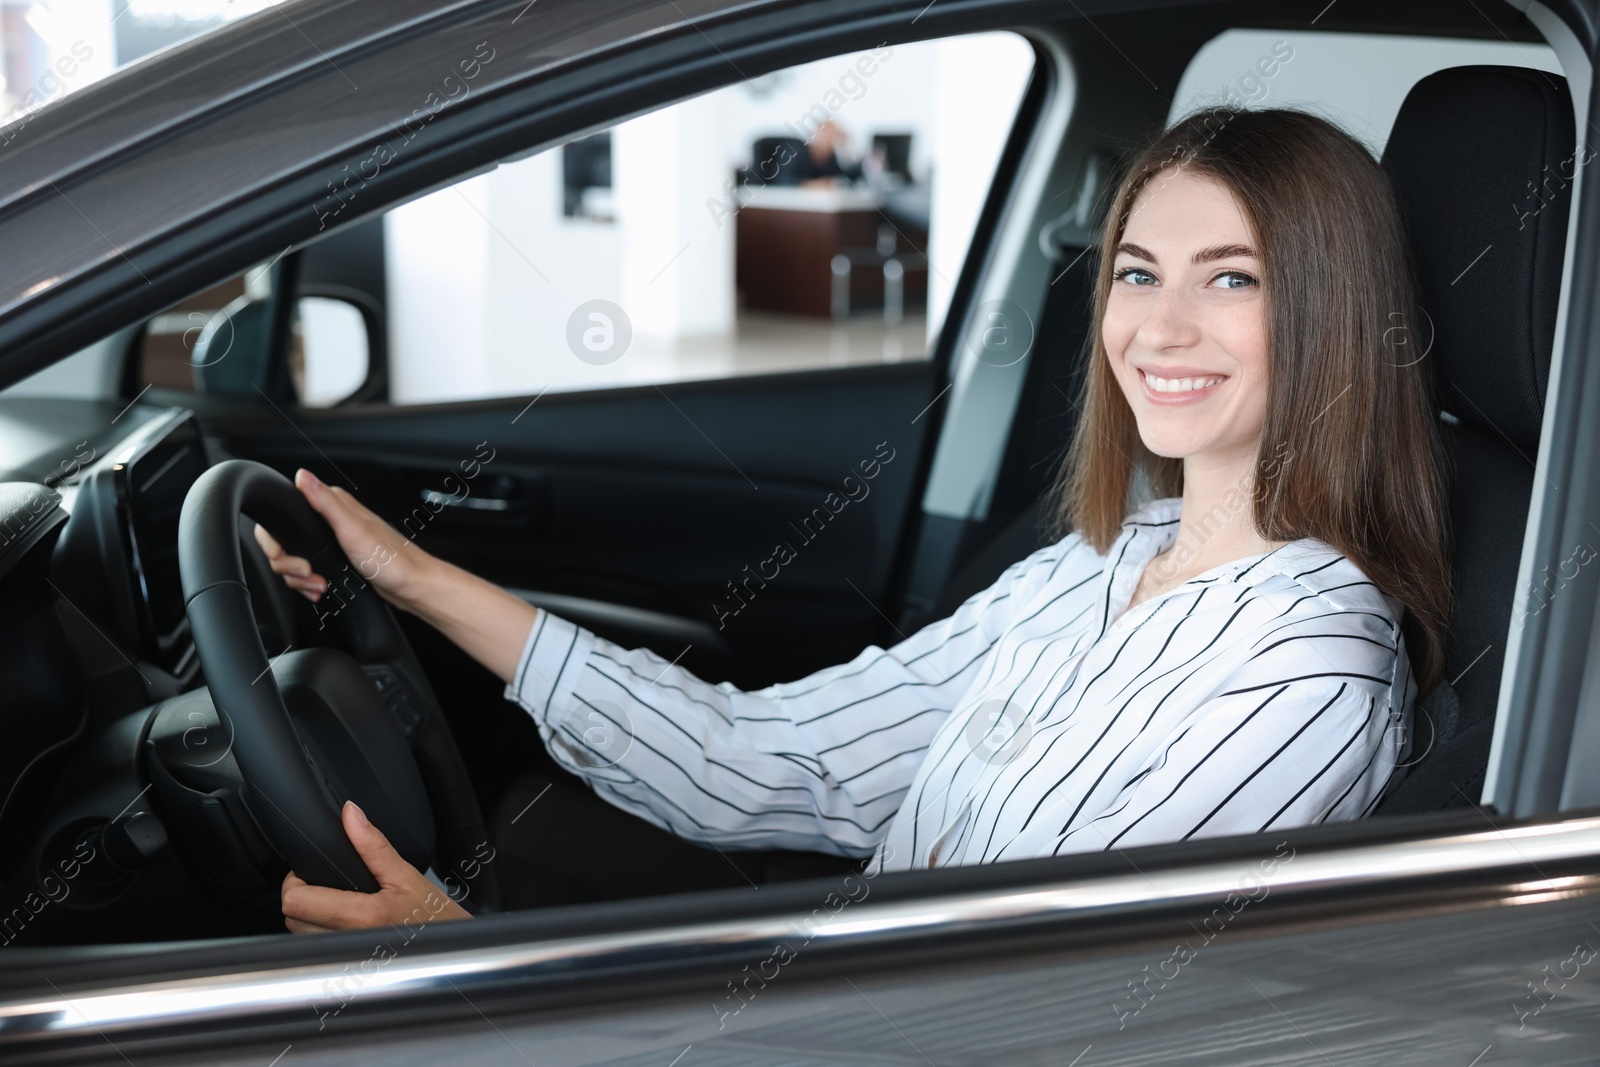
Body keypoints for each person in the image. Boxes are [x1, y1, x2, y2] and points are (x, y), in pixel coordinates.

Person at [260, 105, 1451, 934]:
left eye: (1230, 278)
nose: (1159, 326)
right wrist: (410, 577)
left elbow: (1002, 1030)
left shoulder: (1298, 684)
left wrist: (469, 979)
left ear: (1333, 319)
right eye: (1137, 272)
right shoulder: (1110, 556)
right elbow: (778, 758)